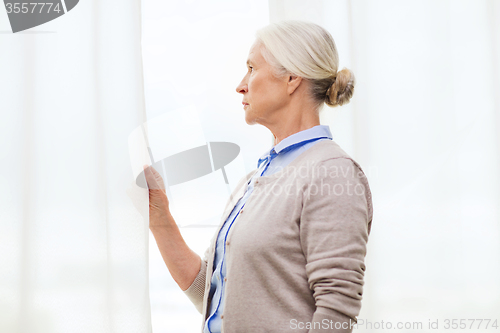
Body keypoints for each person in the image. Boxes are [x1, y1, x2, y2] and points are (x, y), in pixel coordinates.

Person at [143, 20, 373, 333]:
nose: (241, 84)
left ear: (292, 78)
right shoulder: (253, 180)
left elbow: (336, 312)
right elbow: (209, 293)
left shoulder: (332, 172)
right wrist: (159, 218)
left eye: (252, 68)